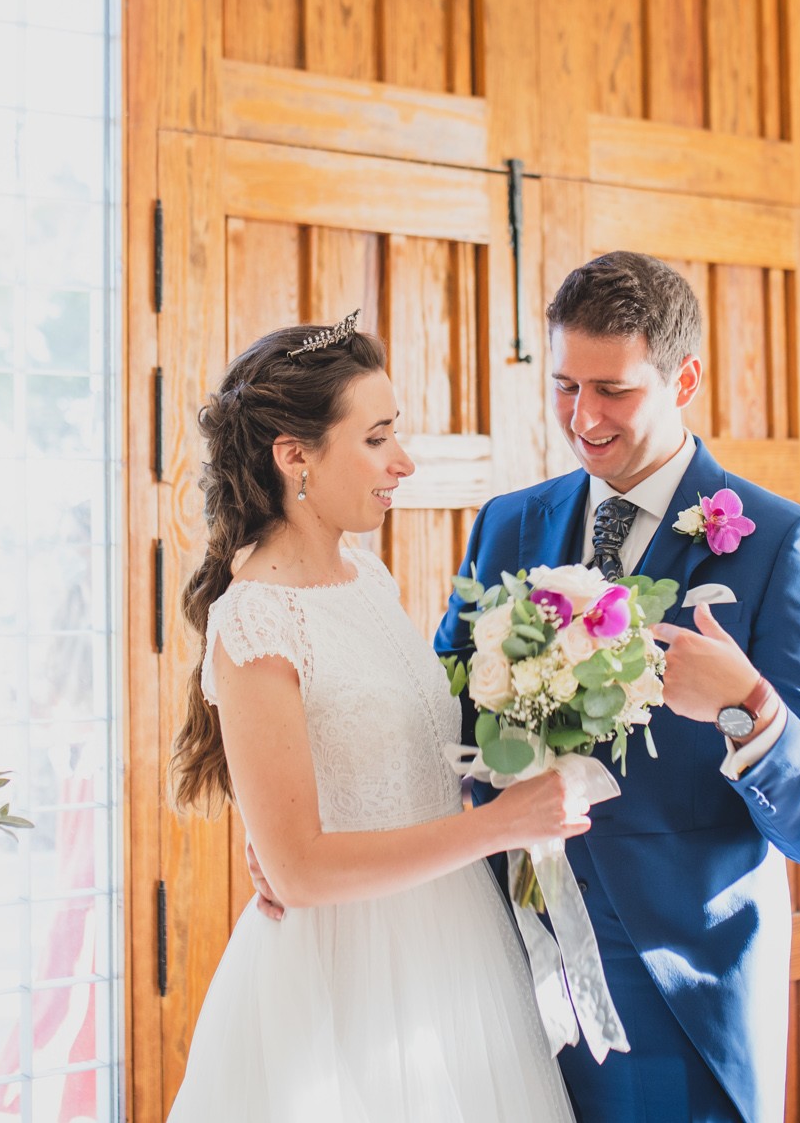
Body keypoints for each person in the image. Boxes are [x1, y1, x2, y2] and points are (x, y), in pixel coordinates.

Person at [434, 252, 800, 1123]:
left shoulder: (781, 545)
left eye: (613, 389)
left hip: (676, 985)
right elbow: (438, 713)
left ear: (685, 378)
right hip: (507, 962)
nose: (582, 417)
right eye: (563, 386)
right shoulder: (507, 523)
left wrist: (751, 706)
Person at [164, 315, 580, 1123]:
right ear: (296, 456)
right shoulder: (254, 621)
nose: (404, 462)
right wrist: (502, 825)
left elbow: (402, 746)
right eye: (378, 438)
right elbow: (301, 871)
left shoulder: (367, 573)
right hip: (343, 977)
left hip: (453, 941)